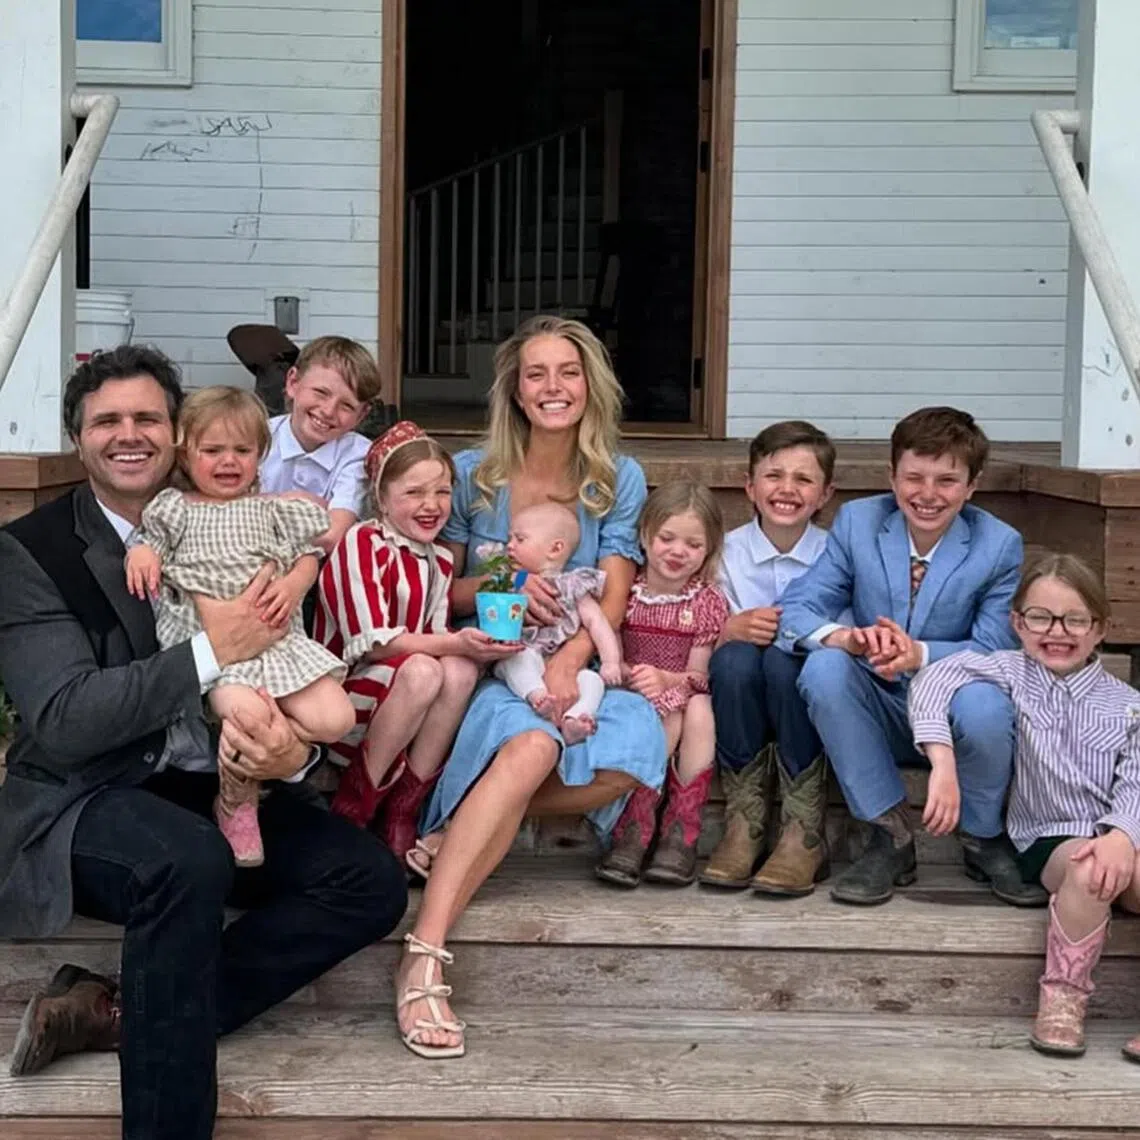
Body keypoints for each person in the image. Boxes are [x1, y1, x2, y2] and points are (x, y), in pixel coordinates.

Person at [0, 346, 406, 1140]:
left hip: (217, 781)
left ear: (178, 432)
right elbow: (67, 719)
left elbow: (293, 668)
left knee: (366, 881)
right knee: (187, 861)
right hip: (89, 796)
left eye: (147, 417)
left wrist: (298, 755)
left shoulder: (247, 516)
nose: (129, 435)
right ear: (78, 438)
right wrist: (209, 649)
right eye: (105, 421)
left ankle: (115, 1010)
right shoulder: (32, 550)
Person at [391, 314, 666, 1059]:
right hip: (493, 663)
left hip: (573, 663)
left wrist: (569, 657)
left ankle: (460, 824)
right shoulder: (475, 471)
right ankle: (425, 951)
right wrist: (507, 584)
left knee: (643, 743)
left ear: (590, 385)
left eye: (568, 372)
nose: (554, 387)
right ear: (514, 388)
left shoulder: (618, 476)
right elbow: (441, 587)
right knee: (530, 750)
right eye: (537, 373)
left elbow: (612, 595)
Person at [776, 406, 1043, 907]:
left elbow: (996, 648)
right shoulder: (859, 522)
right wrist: (847, 638)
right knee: (824, 668)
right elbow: (798, 607)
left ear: (972, 485)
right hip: (877, 702)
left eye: (947, 481)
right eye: (914, 477)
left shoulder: (997, 544)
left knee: (987, 703)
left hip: (955, 706)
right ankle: (889, 834)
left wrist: (918, 653)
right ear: (891, 476)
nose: (927, 494)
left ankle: (982, 837)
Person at [909, 553, 1140, 1060]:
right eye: (1040, 617)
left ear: (1099, 628)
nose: (1057, 631)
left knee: (1114, 861)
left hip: (1123, 839)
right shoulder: (1008, 672)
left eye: (1075, 619)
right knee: (1087, 867)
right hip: (1051, 838)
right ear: (1017, 622)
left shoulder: (1126, 703)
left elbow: (1136, 780)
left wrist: (1122, 836)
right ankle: (1063, 997)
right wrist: (943, 764)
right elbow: (932, 682)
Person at [125, 386, 354, 867]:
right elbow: (146, 539)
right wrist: (143, 552)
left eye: (242, 451)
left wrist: (296, 581)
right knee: (248, 717)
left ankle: (269, 754)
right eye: (213, 450)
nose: (228, 461)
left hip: (277, 648)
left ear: (260, 455)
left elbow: (310, 551)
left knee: (338, 719)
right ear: (186, 452)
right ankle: (236, 799)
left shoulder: (274, 509)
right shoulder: (175, 508)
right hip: (216, 653)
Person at [314, 420, 515, 865]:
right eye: (414, 493)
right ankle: (355, 804)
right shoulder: (362, 543)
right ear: (382, 498)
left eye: (442, 492)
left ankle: (404, 806)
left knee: (460, 669)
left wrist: (470, 647)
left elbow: (441, 640)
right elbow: (376, 645)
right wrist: (457, 643)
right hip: (342, 701)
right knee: (427, 667)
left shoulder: (440, 561)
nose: (431, 505)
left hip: (407, 706)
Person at [703, 420, 837, 896]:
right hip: (741, 695)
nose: (787, 489)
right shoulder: (725, 554)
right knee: (735, 659)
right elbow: (698, 623)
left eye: (804, 479)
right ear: (749, 487)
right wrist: (727, 630)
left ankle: (804, 828)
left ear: (825, 495)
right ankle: (745, 821)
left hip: (799, 700)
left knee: (787, 662)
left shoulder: (834, 554)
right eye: (774, 476)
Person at [595, 480, 729, 888]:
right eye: (666, 538)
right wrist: (635, 676)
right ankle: (635, 826)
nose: (677, 552)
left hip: (680, 689)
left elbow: (698, 675)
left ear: (708, 551)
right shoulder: (627, 592)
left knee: (697, 709)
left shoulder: (705, 601)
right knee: (667, 716)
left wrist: (665, 679)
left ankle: (680, 831)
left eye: (692, 544)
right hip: (629, 691)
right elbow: (610, 651)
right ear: (644, 536)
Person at [491, 502, 623, 744]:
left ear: (555, 549)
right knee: (517, 659)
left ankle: (575, 719)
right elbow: (499, 614)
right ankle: (538, 697)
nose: (509, 546)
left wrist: (611, 662)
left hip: (568, 665)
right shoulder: (515, 579)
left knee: (592, 681)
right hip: (528, 656)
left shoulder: (574, 584)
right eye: (510, 539)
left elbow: (597, 622)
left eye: (520, 539)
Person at [258, 335, 381, 555]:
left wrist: (260, 506)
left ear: (362, 415)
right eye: (321, 392)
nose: (328, 411)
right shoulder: (256, 437)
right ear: (293, 383)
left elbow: (333, 535)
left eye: (347, 406)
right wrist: (295, 502)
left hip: (325, 572)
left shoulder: (359, 455)